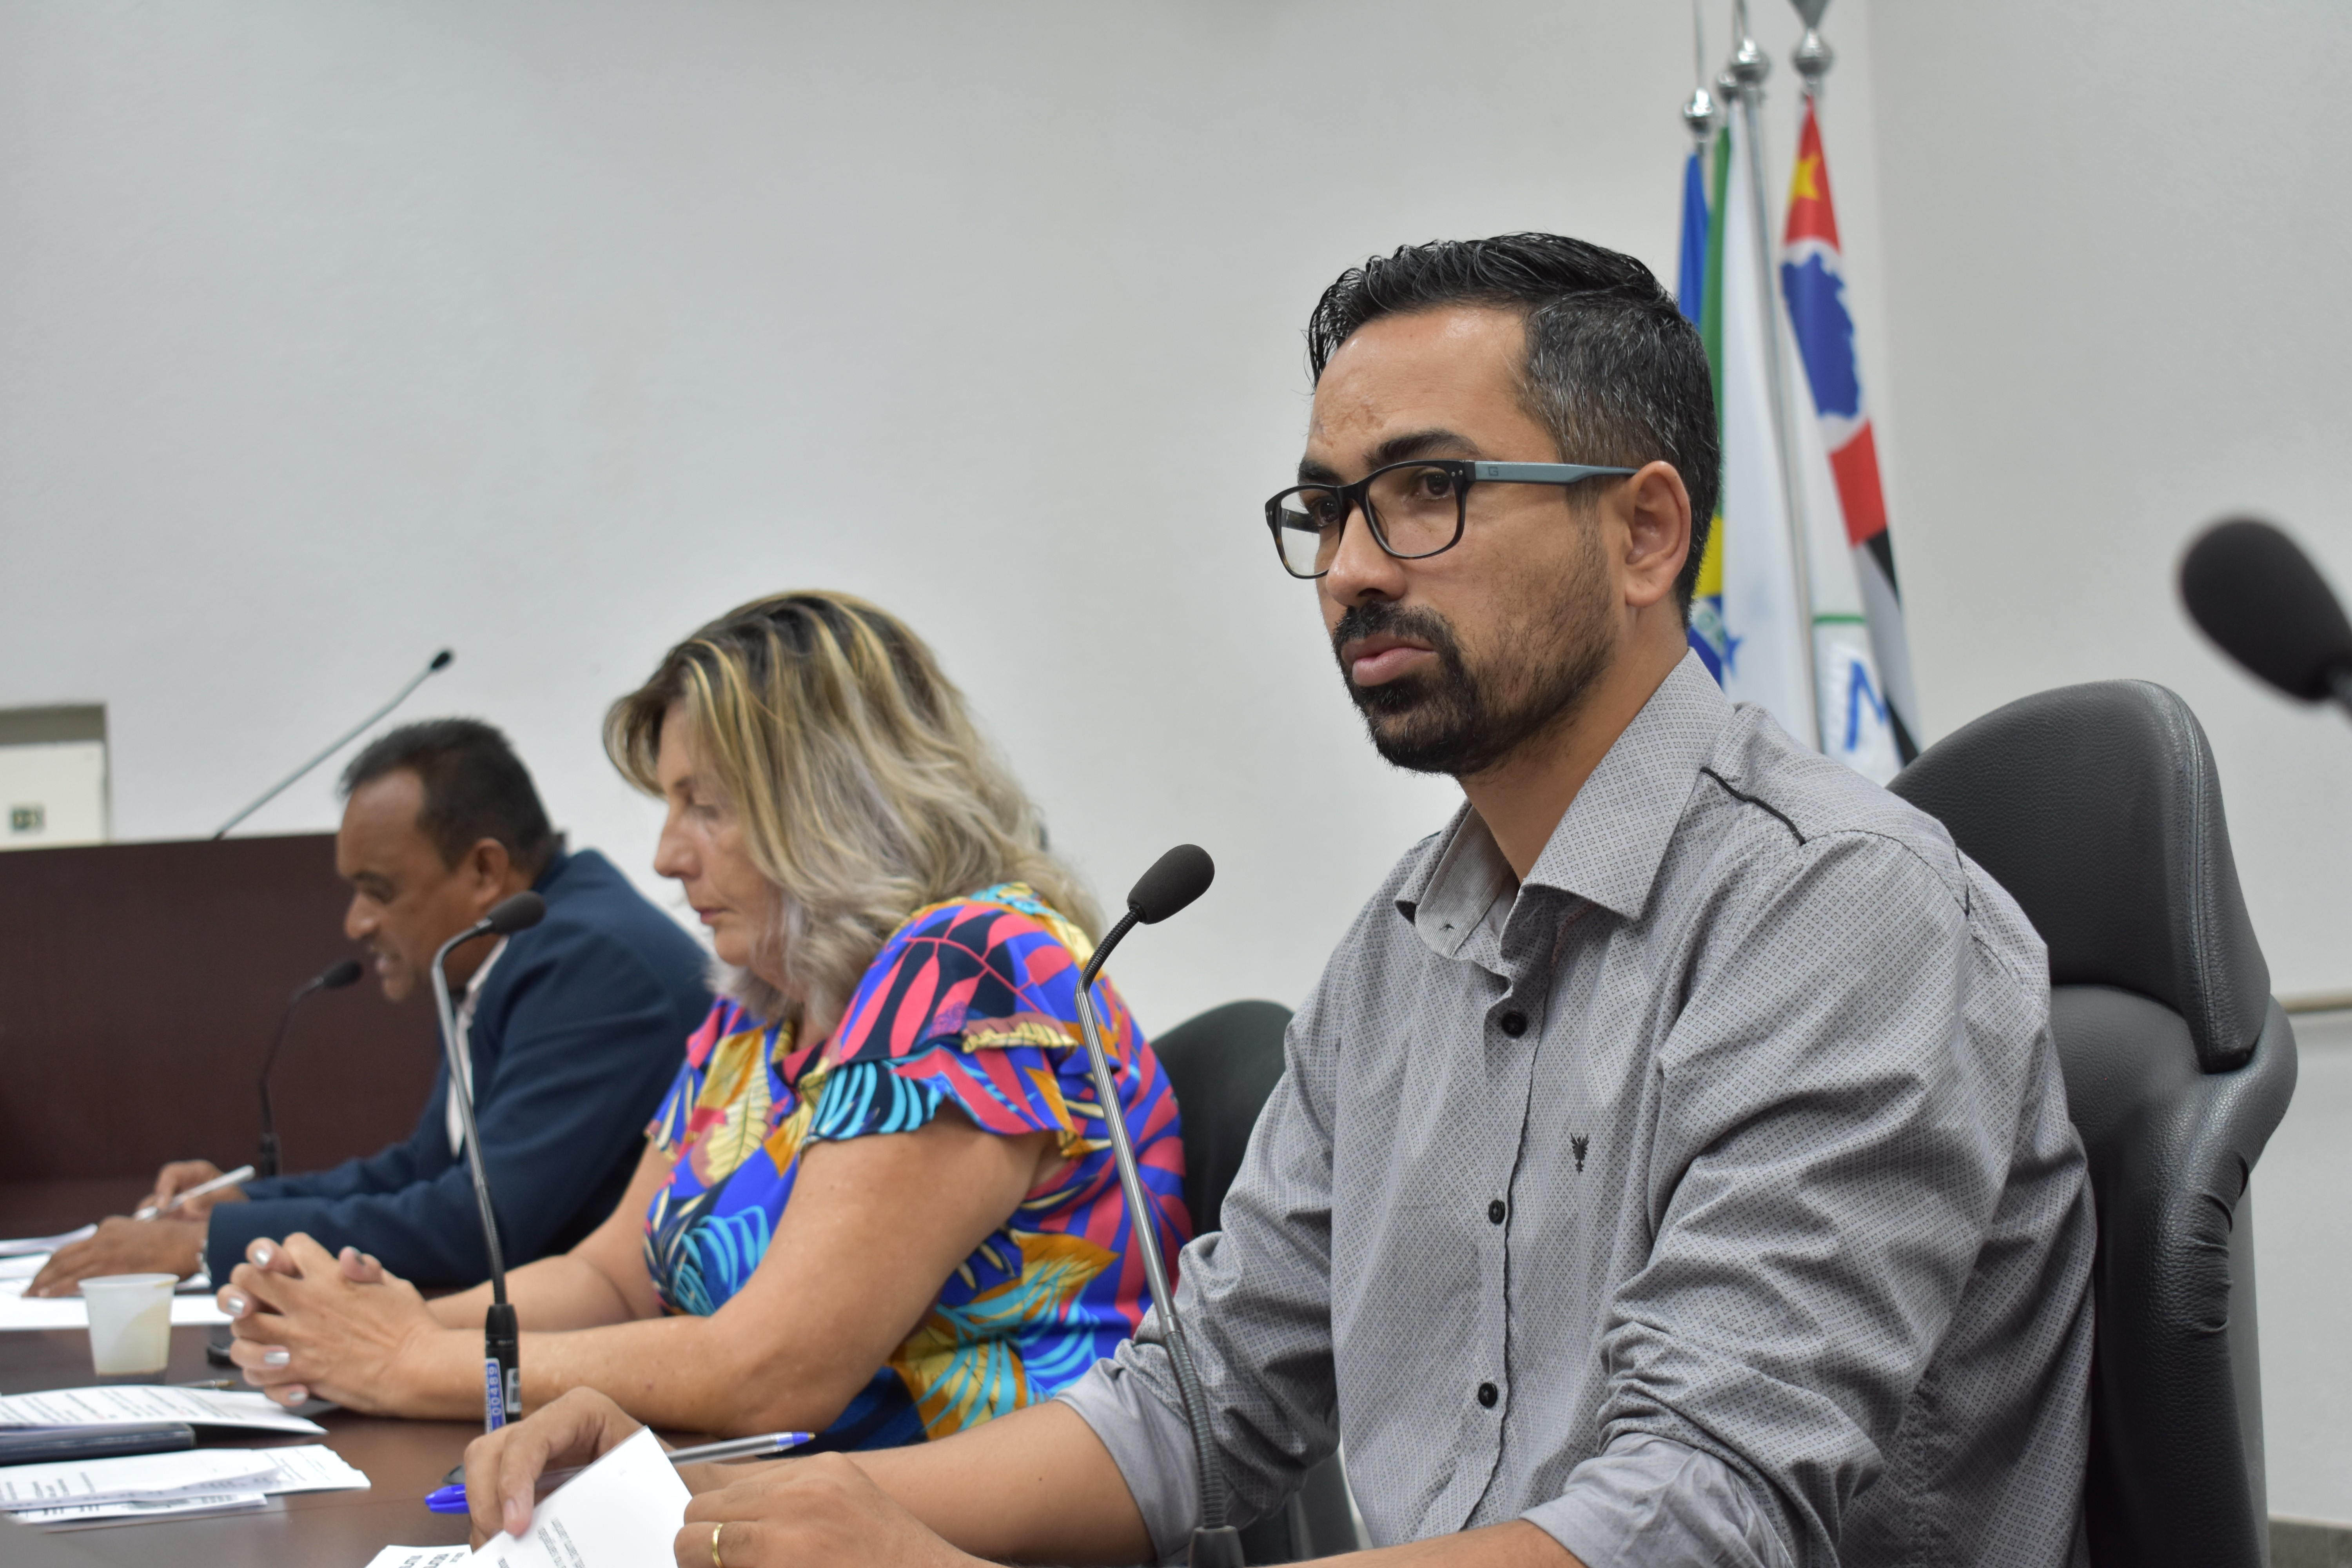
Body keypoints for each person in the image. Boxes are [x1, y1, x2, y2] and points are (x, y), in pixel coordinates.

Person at [459, 236, 2097, 1568]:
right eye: (1327, 510)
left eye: (1426, 488)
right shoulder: (1399, 952)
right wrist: (752, 1511)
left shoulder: (1839, 916)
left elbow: (1698, 1521)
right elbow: (1201, 1399)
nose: (1356, 566)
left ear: (1646, 531)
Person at [215, 591, 1189, 1448]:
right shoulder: (763, 1010)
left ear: (835, 803)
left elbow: (773, 1370)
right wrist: (382, 1324)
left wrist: (411, 1361)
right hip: (783, 1503)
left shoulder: (973, 968)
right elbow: (612, 1280)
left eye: (705, 805)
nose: (667, 855)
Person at [32, 719, 710, 1297]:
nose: (356, 923)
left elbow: (480, 1224)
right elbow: (426, 1168)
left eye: (378, 891)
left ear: (484, 872)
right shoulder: (514, 949)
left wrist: (207, 1244)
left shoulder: (592, 963)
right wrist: (242, 1202)